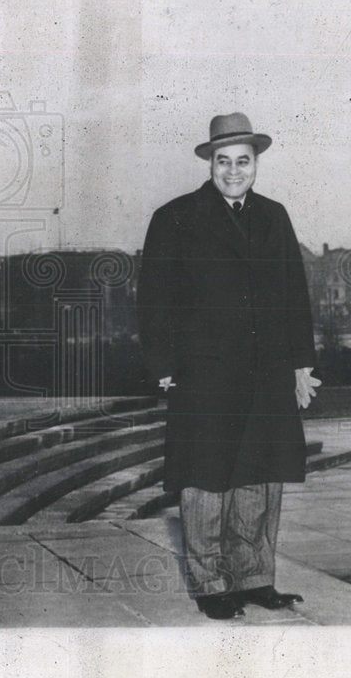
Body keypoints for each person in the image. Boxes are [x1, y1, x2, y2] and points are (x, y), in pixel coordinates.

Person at [137, 112, 321, 620]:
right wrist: (163, 364)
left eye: (243, 161)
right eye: (224, 161)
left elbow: (293, 295)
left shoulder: (274, 216)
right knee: (207, 479)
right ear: (210, 164)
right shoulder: (174, 217)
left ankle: (255, 577)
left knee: (260, 477)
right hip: (205, 373)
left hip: (267, 372)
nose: (234, 171)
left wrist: (302, 363)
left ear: (256, 164)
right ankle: (212, 583)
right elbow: (154, 298)